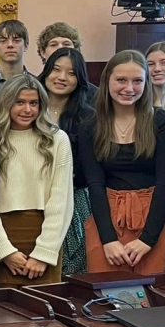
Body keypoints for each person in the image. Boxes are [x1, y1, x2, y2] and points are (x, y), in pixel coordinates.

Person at [79, 50, 165, 275]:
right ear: (107, 82)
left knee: (154, 297)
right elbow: (95, 184)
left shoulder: (162, 122)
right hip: (107, 216)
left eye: (137, 81)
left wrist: (147, 239)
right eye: (121, 80)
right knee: (107, 295)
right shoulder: (90, 126)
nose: (129, 88)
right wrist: (108, 239)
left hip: (153, 215)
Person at [0, 76, 73, 285]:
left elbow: (62, 199)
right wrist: (3, 250)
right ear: (6, 103)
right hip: (0, 235)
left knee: (47, 313)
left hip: (45, 234)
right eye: (20, 102)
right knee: (3, 314)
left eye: (34, 103)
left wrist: (44, 252)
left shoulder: (57, 140)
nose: (27, 110)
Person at [37, 47, 98, 275]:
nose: (62, 78)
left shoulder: (89, 117)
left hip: (74, 199)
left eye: (71, 73)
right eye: (56, 70)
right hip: (33, 198)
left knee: (70, 270)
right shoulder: (29, 110)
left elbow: (90, 170)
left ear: (79, 80)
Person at [0, 19, 30, 87]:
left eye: (16, 40)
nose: (10, 45)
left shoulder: (37, 84)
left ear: (26, 46)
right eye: (3, 41)